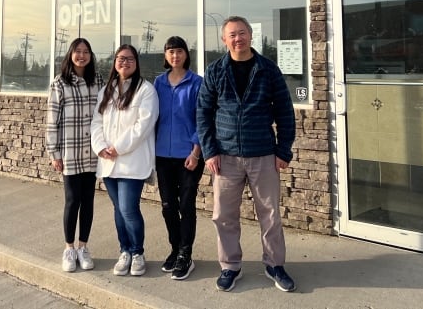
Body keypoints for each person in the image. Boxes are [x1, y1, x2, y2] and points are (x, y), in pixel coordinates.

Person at [196, 16, 297, 293]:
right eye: (232, 34)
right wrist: (209, 151)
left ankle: (274, 264)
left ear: (251, 36)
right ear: (224, 39)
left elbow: (285, 112)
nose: (237, 38)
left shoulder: (268, 69)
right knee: (224, 215)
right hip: (225, 157)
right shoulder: (215, 70)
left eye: (242, 33)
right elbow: (203, 113)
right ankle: (230, 266)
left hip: (263, 154)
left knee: (271, 214)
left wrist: (283, 150)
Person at [91, 44, 158, 277]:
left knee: (129, 209)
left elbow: (143, 126)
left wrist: (117, 148)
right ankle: (125, 251)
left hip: (132, 160)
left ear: (136, 63)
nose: (125, 62)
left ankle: (137, 252)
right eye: (120, 58)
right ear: (114, 62)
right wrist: (100, 147)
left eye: (130, 59)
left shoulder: (146, 90)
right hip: (108, 161)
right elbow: (96, 122)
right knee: (118, 210)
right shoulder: (106, 90)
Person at [46, 38, 104, 273]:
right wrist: (54, 152)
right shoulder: (59, 83)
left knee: (88, 200)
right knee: (72, 201)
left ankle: (83, 247)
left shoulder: (98, 80)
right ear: (71, 55)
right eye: (77, 52)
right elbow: (52, 121)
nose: (82, 56)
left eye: (86, 52)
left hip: (92, 150)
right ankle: (69, 248)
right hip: (69, 150)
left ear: (91, 55)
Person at [153, 36, 204, 281]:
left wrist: (196, 152)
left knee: (186, 205)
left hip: (189, 156)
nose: (175, 56)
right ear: (165, 56)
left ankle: (186, 253)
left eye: (179, 51)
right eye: (171, 51)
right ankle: (175, 248)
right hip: (163, 155)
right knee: (168, 206)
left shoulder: (197, 83)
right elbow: (150, 118)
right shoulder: (158, 83)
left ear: (186, 54)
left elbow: (202, 120)